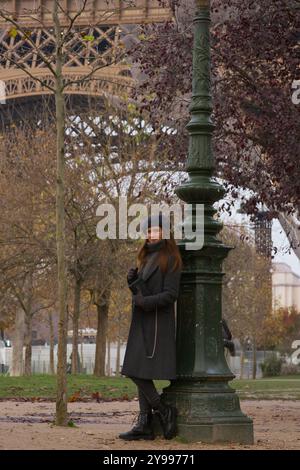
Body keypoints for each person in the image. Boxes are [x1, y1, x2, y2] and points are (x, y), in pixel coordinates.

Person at [119, 214, 182, 441]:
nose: (151, 235)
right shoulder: (145, 257)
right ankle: (145, 423)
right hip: (141, 321)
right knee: (137, 369)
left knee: (135, 370)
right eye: (148, 231)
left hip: (157, 324)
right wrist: (133, 284)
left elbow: (171, 295)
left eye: (155, 231)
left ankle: (163, 411)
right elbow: (143, 292)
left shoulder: (171, 259)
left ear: (165, 233)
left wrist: (146, 302)